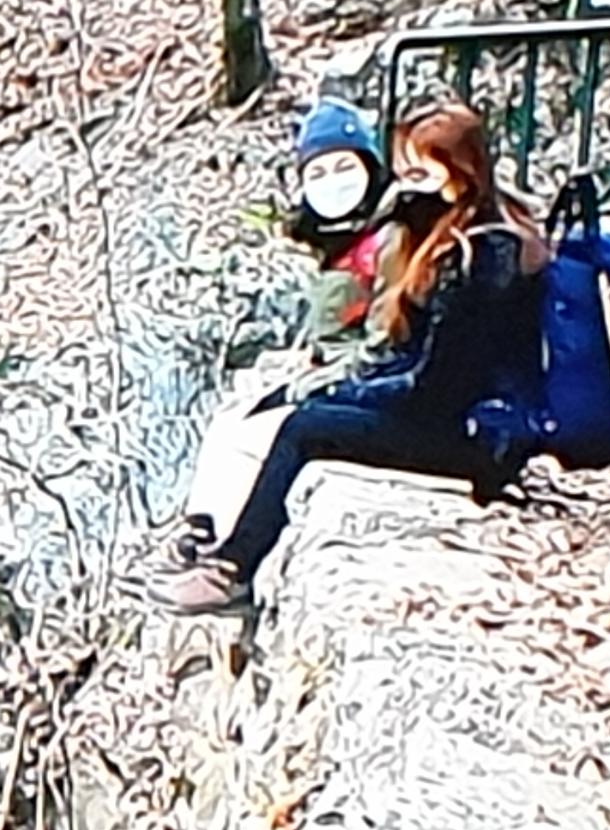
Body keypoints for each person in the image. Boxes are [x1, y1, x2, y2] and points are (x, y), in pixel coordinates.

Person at [163, 101, 545, 613]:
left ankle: (234, 569)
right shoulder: (454, 238)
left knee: (305, 427)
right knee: (305, 414)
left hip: (476, 437)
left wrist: (352, 392)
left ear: (458, 174)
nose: (406, 186)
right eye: (403, 171)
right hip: (453, 415)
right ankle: (222, 553)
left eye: (419, 173)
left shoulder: (485, 256)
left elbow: (438, 388)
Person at [172, 98, 404, 566]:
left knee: (258, 432)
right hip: (335, 365)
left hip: (364, 380)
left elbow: (384, 339)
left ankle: (226, 545)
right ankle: (203, 521)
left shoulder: (387, 240)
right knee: (231, 414)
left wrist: (319, 377)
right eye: (318, 172)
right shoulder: (342, 238)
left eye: (344, 166)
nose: (332, 182)